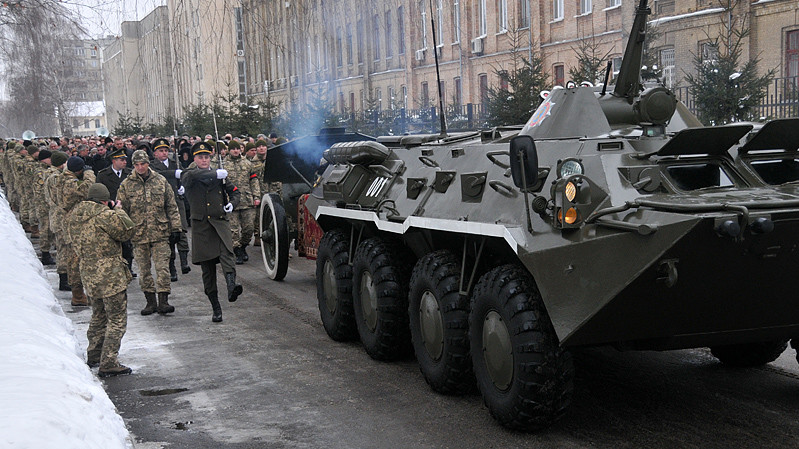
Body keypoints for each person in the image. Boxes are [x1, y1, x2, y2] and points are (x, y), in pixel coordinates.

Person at [69, 183, 136, 377]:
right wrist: (119, 211)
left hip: (88, 272)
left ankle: (94, 354)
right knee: (116, 319)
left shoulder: (76, 215)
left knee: (98, 315)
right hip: (110, 274)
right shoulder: (105, 215)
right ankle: (109, 361)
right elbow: (127, 231)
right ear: (105, 201)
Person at [180, 141, 242, 322]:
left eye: (207, 157)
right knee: (208, 270)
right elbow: (191, 177)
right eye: (200, 157)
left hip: (219, 222)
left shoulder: (220, 175)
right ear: (195, 159)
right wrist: (215, 174)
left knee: (228, 254)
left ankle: (231, 286)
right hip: (202, 227)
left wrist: (232, 204)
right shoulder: (189, 174)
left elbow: (235, 192)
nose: (204, 160)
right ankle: (215, 306)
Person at [117, 150, 183, 315]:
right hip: (138, 234)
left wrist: (176, 228)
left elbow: (171, 206)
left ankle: (163, 301)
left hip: (160, 232)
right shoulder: (126, 185)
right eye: (137, 165)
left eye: (143, 164)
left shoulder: (160, 181)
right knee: (144, 270)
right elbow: (121, 211)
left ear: (148, 163)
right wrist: (124, 233)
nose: (140, 167)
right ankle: (150, 301)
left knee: (162, 268)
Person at [57, 156, 96, 306]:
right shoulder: (70, 183)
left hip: (70, 221)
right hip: (74, 225)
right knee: (75, 260)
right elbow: (89, 188)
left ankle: (79, 293)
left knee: (74, 258)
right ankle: (78, 295)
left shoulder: (62, 178)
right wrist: (89, 173)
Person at [150, 138, 191, 278]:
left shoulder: (175, 163)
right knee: (168, 236)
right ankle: (171, 266)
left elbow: (185, 175)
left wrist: (182, 185)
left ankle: (184, 262)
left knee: (181, 231)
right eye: (161, 151)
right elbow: (156, 175)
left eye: (166, 150)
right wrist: (174, 173)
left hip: (177, 202)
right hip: (162, 204)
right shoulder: (152, 166)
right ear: (155, 153)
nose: (164, 153)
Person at [97, 147, 136, 277]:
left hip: (127, 211)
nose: (125, 162)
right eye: (121, 160)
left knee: (128, 241)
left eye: (125, 159)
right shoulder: (103, 175)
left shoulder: (130, 174)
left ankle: (128, 267)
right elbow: (100, 193)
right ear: (114, 161)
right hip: (111, 212)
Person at [225, 140, 261, 264]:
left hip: (247, 200)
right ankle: (237, 251)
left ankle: (243, 246)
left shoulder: (247, 164)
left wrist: (256, 196)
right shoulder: (223, 165)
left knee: (249, 228)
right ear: (229, 150)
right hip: (231, 202)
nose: (236, 151)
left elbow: (254, 181)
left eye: (237, 148)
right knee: (233, 230)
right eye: (233, 149)